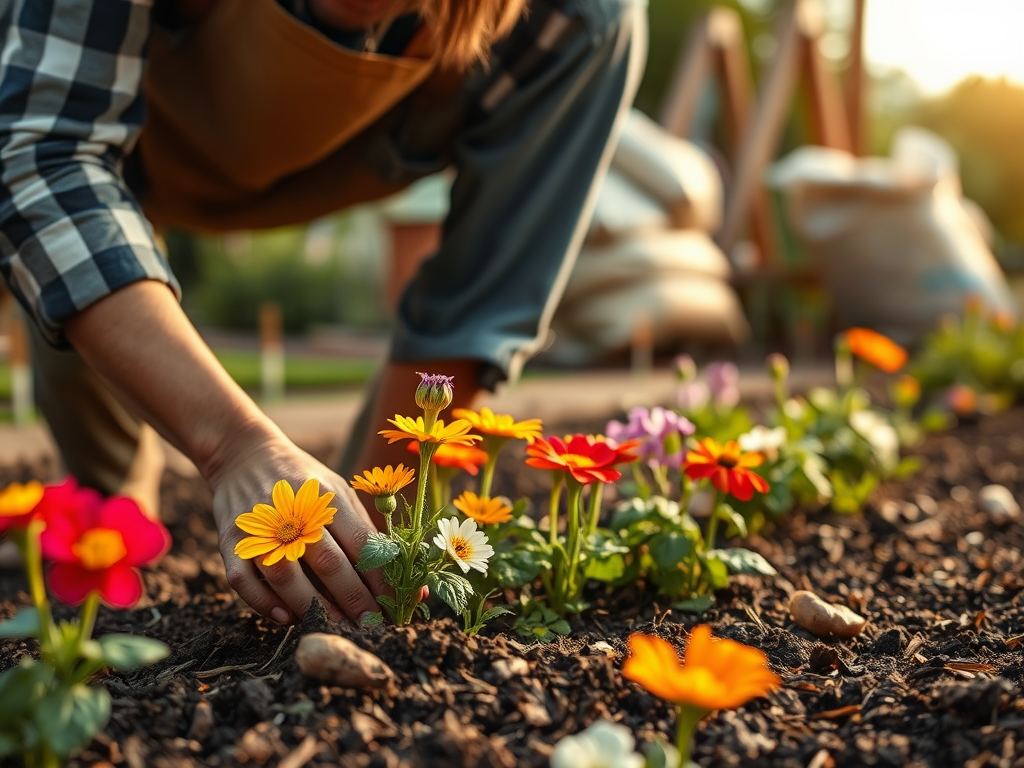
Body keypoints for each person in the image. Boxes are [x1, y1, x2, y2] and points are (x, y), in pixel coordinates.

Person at [0, 0, 646, 624]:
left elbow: (479, 300)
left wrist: (358, 560)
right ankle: (98, 548)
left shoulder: (574, 19)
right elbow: (43, 162)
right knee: (104, 528)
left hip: (358, 145)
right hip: (114, 120)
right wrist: (234, 445)